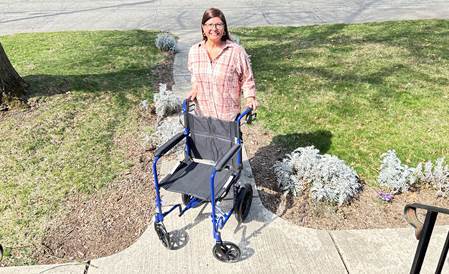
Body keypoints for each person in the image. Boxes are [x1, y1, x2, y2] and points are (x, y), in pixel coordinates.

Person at [186, 8, 258, 121]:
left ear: (224, 28)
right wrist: (195, 89)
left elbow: (247, 79)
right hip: (203, 117)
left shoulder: (235, 51)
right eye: (210, 24)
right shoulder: (195, 51)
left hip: (228, 118)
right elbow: (195, 75)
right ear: (203, 28)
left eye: (218, 24)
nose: (214, 29)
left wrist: (250, 98)